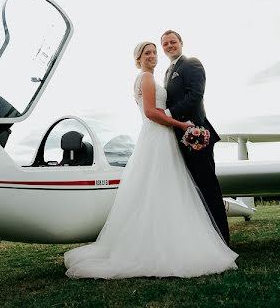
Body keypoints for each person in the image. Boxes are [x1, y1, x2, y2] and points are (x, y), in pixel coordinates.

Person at [63, 41, 237, 279]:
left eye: (155, 52)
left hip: (162, 138)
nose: (153, 55)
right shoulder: (145, 78)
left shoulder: (156, 77)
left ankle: (168, 237)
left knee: (165, 189)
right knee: (162, 188)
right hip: (158, 136)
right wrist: (181, 124)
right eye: (148, 53)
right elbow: (151, 113)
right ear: (139, 58)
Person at [161, 29, 231, 244]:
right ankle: (203, 239)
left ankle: (222, 239)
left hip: (197, 134)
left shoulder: (192, 64)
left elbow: (195, 96)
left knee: (208, 186)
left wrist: (168, 115)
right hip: (179, 136)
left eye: (173, 42)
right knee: (193, 189)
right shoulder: (167, 71)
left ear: (181, 43)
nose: (169, 46)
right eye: (165, 44)